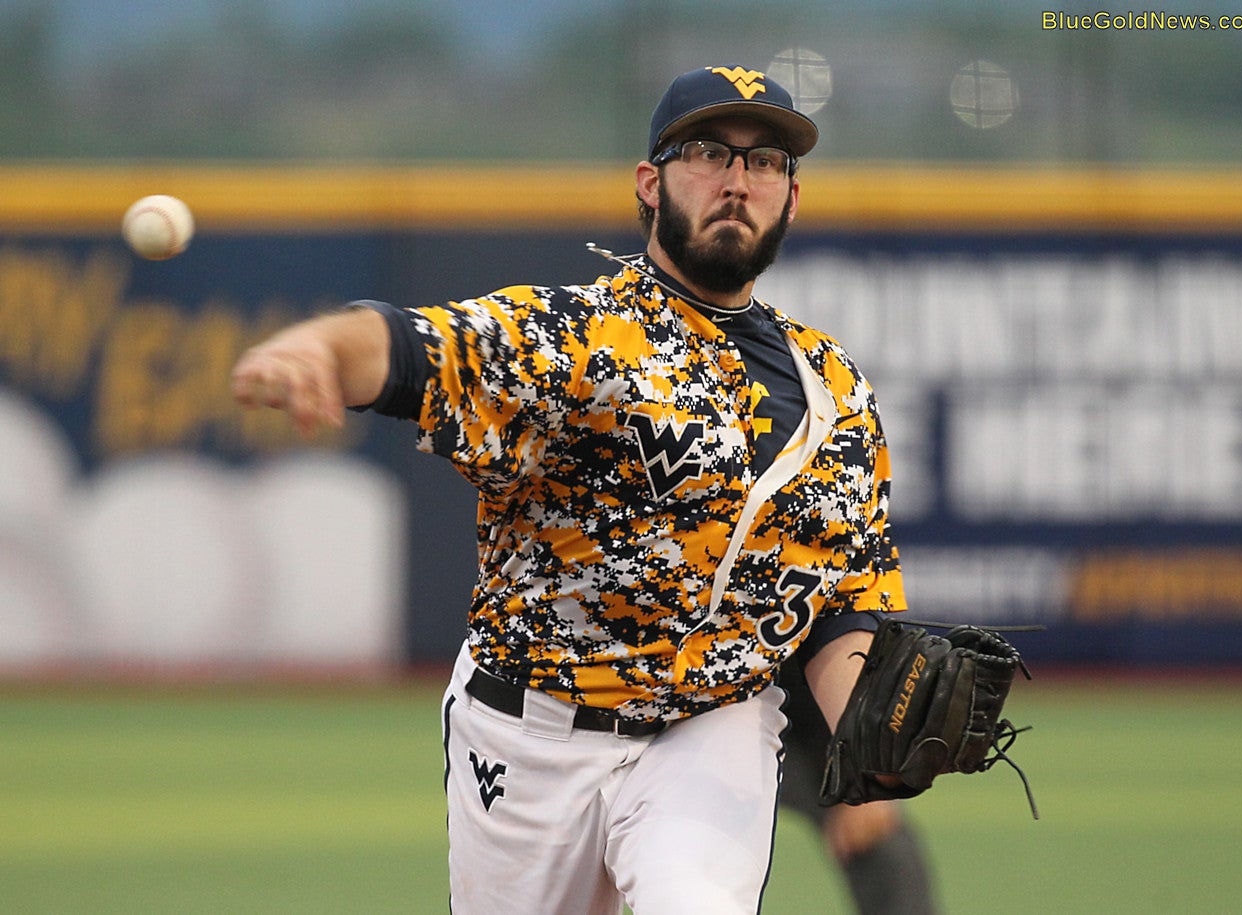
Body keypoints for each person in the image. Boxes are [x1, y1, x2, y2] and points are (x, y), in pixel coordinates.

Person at [231, 64, 909, 915]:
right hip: (528, 733)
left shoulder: (835, 391)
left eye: (766, 162)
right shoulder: (579, 338)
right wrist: (322, 351)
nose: (738, 178)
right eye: (708, 152)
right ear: (649, 183)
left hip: (711, 729)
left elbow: (846, 598)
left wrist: (872, 747)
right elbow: (418, 348)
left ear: (792, 199)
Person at [777, 655, 941, 915]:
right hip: (707, 724)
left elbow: (844, 636)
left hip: (812, 731)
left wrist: (862, 773)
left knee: (876, 837)